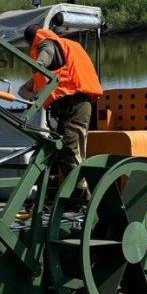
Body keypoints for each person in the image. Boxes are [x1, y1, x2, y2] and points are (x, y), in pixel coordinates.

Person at [18, 17, 103, 206]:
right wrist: (32, 95)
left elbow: (46, 54)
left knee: (69, 151)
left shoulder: (46, 43)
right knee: (64, 152)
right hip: (72, 105)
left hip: (74, 104)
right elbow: (24, 89)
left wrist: (39, 63)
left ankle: (85, 202)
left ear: (30, 42)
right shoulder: (64, 48)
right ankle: (71, 197)